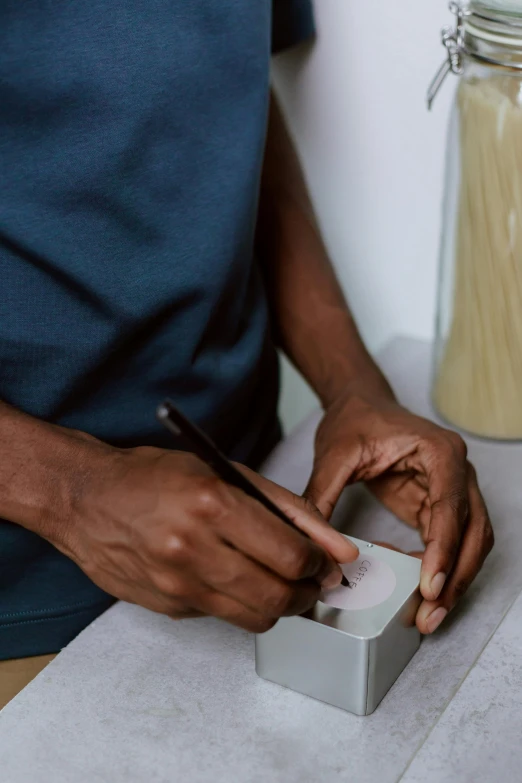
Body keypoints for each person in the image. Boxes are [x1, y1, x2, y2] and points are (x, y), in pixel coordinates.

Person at [0, 0, 493, 689]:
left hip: (263, 498)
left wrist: (353, 387)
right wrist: (71, 491)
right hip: (23, 598)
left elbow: (223, 106)